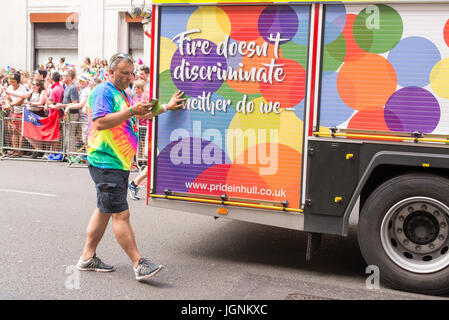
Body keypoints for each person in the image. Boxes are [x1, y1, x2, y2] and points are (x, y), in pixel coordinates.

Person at [76, 53, 185, 281]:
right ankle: (139, 263)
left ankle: (87, 258)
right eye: (124, 73)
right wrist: (131, 111)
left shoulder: (122, 93)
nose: (129, 77)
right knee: (121, 214)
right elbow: (99, 121)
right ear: (111, 72)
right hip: (106, 161)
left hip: (116, 162)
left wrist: (166, 106)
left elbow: (140, 113)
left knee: (105, 210)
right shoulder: (103, 91)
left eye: (131, 73)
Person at [3, 72, 27, 156]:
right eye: (10, 81)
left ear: (17, 81)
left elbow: (20, 100)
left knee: (21, 132)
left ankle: (20, 150)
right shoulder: (9, 87)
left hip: (22, 112)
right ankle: (14, 149)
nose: (11, 83)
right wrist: (7, 103)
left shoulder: (23, 88)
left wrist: (10, 105)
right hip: (14, 112)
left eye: (13, 81)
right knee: (14, 131)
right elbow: (7, 98)